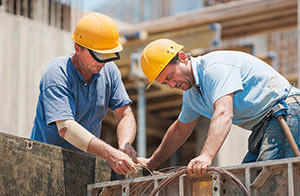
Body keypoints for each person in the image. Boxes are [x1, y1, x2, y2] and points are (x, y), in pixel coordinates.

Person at [137, 38, 300, 175]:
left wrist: (206, 155)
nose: (172, 85)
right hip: (264, 125)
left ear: (183, 57)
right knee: (245, 181)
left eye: (171, 76)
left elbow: (223, 113)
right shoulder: (192, 96)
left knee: (268, 179)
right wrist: (151, 163)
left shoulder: (213, 68)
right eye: (166, 83)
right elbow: (180, 130)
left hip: (286, 111)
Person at [30, 12, 137, 175]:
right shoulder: (57, 73)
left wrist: (125, 145)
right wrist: (109, 153)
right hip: (44, 164)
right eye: (98, 55)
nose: (103, 62)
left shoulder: (109, 70)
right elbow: (66, 128)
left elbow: (125, 115)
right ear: (77, 48)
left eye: (108, 55)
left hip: (83, 166)